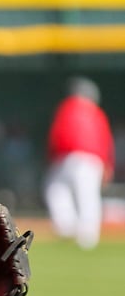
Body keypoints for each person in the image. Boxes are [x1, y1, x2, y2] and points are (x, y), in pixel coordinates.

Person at [44, 76, 115, 249]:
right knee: (86, 195)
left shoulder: (67, 107)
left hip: (68, 157)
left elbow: (56, 136)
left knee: (56, 189)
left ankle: (69, 228)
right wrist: (107, 165)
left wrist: (51, 157)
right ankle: (84, 234)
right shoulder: (97, 113)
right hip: (91, 160)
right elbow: (106, 141)